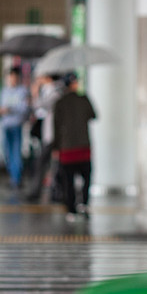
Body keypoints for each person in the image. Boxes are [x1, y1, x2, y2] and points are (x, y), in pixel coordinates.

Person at [52, 73, 96, 221]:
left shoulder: (60, 102)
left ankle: (71, 209)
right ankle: (84, 203)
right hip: (83, 146)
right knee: (86, 177)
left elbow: (56, 126)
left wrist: (56, 147)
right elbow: (94, 115)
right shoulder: (84, 99)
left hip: (67, 148)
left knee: (68, 181)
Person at [28, 73, 65, 201]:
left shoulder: (56, 92)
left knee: (46, 162)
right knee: (50, 163)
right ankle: (53, 190)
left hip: (53, 134)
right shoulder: (50, 91)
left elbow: (40, 105)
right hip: (49, 133)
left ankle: (51, 191)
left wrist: (35, 94)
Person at [0, 67, 30, 190]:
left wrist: (10, 109)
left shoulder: (22, 91)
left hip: (16, 125)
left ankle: (16, 178)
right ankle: (12, 176)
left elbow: (25, 108)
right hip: (6, 125)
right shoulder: (3, 92)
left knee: (16, 152)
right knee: (7, 153)